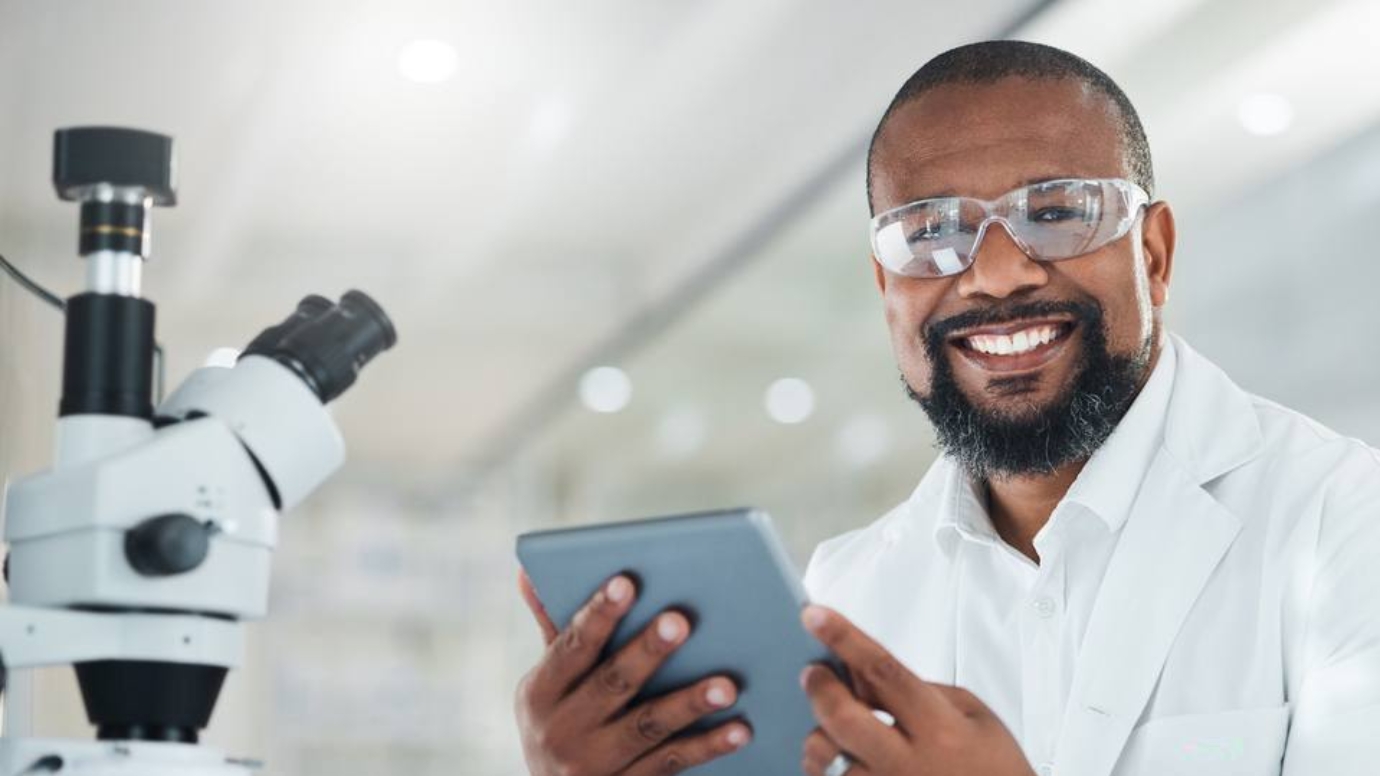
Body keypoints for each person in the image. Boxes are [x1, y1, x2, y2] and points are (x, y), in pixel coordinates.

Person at [512, 40, 1380, 776]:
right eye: (931, 232)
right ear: (886, 288)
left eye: (1058, 211)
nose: (996, 272)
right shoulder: (842, 594)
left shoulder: (1343, 522)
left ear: (1153, 255)